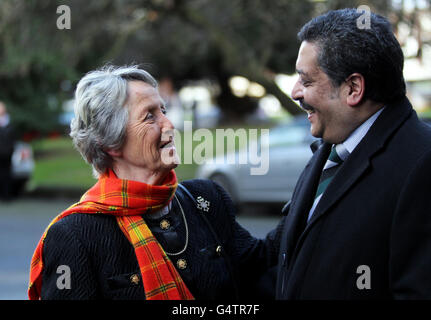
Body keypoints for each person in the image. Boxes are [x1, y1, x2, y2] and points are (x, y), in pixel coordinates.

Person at [28, 65, 279, 300]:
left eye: (164, 111)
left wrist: (316, 183)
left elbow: (264, 265)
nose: (169, 125)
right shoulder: (74, 235)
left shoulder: (206, 199)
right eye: (150, 117)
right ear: (110, 142)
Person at [274, 9, 431, 299]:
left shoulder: (422, 165)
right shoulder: (330, 150)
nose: (295, 92)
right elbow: (282, 257)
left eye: (306, 81)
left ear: (354, 88)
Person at [0, 101, 15, 201]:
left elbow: (12, 138)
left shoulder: (8, 122)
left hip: (7, 152)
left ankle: (7, 194)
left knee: (7, 173)